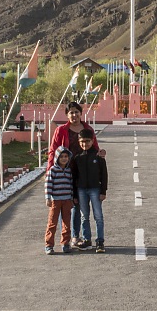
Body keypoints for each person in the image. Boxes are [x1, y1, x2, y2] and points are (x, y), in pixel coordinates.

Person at [46, 101, 105, 247]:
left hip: (84, 174)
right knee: (68, 205)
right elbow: (53, 151)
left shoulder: (87, 128)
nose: (74, 115)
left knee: (80, 205)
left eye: (76, 112)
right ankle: (71, 237)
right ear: (67, 115)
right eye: (71, 112)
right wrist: (50, 170)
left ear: (81, 113)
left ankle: (81, 237)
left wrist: (101, 154)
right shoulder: (61, 130)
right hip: (65, 172)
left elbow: (95, 148)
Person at [71, 130, 108, 253]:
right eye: (82, 142)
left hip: (95, 189)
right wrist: (75, 195)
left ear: (92, 141)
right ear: (79, 142)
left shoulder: (98, 156)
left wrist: (103, 191)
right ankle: (87, 240)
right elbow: (75, 177)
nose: (85, 144)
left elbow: (104, 174)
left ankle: (100, 241)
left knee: (98, 216)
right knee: (84, 216)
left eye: (87, 141)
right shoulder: (77, 157)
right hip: (81, 190)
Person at [44, 147, 74, 254]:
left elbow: (71, 186)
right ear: (57, 157)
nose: (64, 159)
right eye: (61, 157)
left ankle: (65, 243)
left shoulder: (69, 170)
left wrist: (71, 198)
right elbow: (48, 185)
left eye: (66, 157)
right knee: (52, 223)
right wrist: (48, 198)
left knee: (66, 223)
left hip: (66, 200)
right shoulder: (53, 170)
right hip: (55, 201)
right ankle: (49, 245)